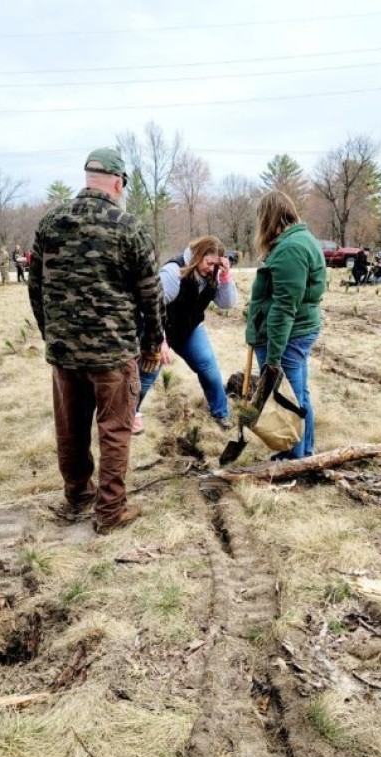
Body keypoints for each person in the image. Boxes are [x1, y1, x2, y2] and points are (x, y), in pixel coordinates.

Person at [28, 147, 164, 534]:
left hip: (65, 353)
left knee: (70, 427)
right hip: (112, 353)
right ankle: (110, 510)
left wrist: (51, 334)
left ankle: (78, 494)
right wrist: (153, 343)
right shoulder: (127, 226)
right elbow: (150, 294)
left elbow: (35, 287)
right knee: (114, 428)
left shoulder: (50, 222)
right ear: (118, 182)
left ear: (88, 177)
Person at [245, 189, 325, 459]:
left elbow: (284, 307)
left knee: (288, 398)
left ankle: (294, 457)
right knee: (299, 392)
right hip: (297, 331)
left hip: (288, 337)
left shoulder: (291, 249)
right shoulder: (299, 241)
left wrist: (274, 358)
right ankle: (305, 451)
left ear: (268, 217)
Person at [133, 235, 237, 434]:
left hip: (189, 329)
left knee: (209, 366)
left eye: (216, 264)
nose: (211, 268)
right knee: (147, 374)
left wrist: (225, 276)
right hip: (161, 327)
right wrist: (158, 338)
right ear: (198, 256)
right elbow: (151, 306)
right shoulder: (173, 273)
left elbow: (227, 303)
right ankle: (129, 414)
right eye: (208, 263)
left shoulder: (214, 273)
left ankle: (221, 413)